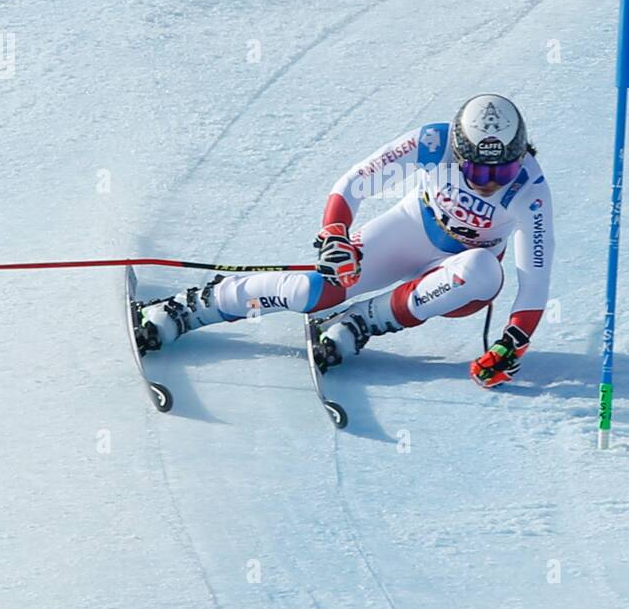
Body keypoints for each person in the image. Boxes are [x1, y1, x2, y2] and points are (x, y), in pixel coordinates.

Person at [135, 94, 554, 388]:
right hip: (409, 230)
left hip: (458, 277)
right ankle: (187, 310)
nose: (490, 183)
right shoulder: (434, 143)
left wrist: (514, 341)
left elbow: (534, 280)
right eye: (479, 173)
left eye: (502, 172)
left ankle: (360, 322)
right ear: (460, 155)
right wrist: (335, 232)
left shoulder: (531, 192)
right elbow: (355, 182)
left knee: (484, 270)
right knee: (311, 291)